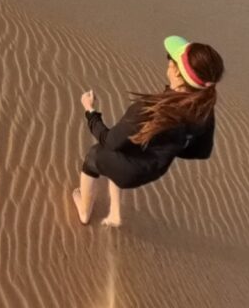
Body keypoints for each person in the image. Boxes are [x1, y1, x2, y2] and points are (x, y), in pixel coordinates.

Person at [72, 35, 225, 227]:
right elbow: (201, 152)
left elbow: (110, 141)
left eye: (171, 59)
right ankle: (115, 215)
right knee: (124, 149)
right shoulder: (204, 110)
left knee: (95, 154)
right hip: (155, 169)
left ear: (177, 73)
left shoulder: (148, 108)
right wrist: (168, 146)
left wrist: (90, 111)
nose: (168, 62)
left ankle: (85, 211)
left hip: (131, 171)